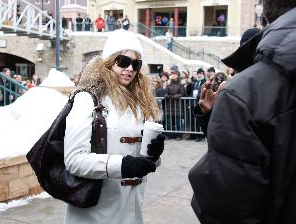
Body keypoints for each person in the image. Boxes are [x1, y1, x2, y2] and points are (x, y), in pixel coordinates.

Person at [188, 1, 296, 223]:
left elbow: (228, 204)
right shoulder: (242, 91)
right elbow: (240, 158)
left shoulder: (246, 91)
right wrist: (210, 115)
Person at [63, 29, 165, 224]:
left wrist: (153, 156)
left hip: (131, 207)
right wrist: (122, 165)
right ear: (109, 62)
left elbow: (140, 158)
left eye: (136, 64)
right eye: (123, 61)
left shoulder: (139, 103)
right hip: (95, 210)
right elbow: (74, 160)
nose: (130, 69)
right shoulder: (88, 99)